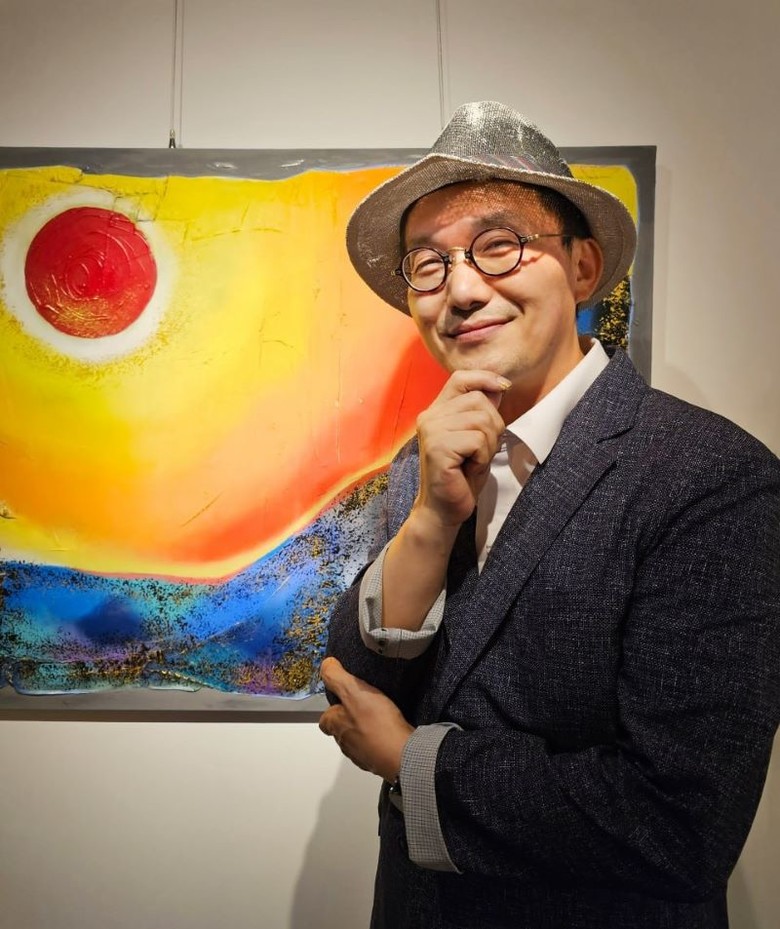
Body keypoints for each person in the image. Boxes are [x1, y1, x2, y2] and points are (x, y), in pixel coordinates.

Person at [318, 101, 780, 929]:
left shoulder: (711, 477)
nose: (462, 289)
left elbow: (681, 821)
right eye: (428, 264)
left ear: (583, 266)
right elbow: (355, 686)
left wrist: (415, 761)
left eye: (499, 244)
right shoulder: (422, 463)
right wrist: (429, 522)